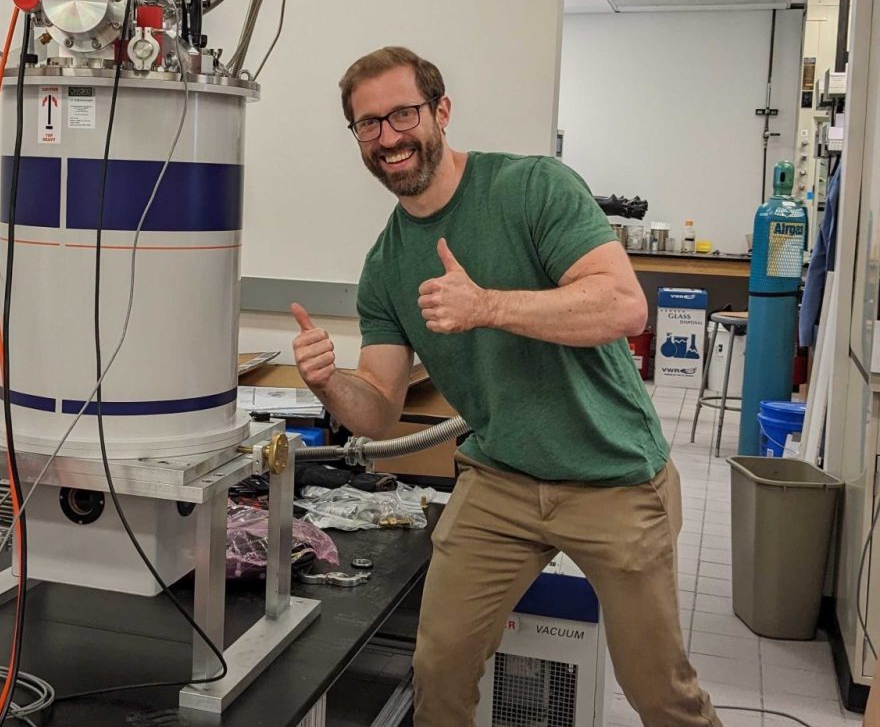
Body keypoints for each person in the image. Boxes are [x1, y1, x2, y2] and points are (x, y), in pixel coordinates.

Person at [290, 46, 722, 726]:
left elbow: (623, 306)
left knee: (661, 694)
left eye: (403, 114)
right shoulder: (386, 264)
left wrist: (487, 305)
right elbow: (377, 410)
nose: (388, 137)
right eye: (368, 124)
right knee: (439, 670)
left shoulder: (531, 188)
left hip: (612, 473)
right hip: (501, 478)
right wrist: (327, 382)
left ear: (441, 111)